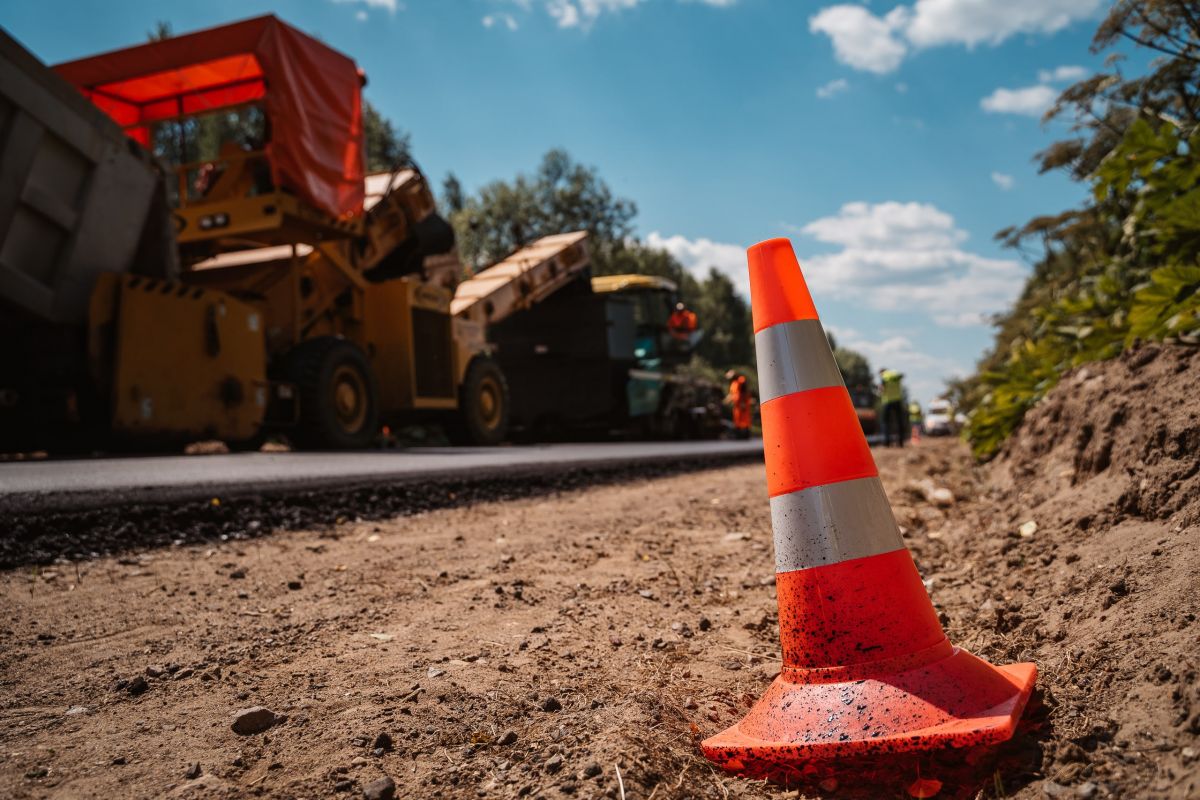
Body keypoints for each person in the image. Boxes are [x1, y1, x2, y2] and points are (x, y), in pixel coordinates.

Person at [879, 367, 906, 447]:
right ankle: (900, 442)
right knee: (899, 421)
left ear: (881, 372)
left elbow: (882, 389)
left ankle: (887, 442)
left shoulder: (884, 377)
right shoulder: (895, 375)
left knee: (885, 422)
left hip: (887, 401)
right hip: (897, 400)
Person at [725, 369, 753, 439]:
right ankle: (739, 435)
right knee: (737, 419)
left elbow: (744, 392)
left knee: (745, 419)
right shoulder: (733, 383)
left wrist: (743, 402)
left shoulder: (740, 380)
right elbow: (732, 394)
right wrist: (726, 401)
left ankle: (746, 434)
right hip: (737, 405)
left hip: (743, 404)